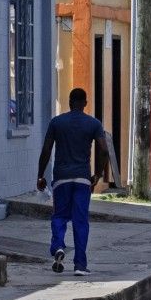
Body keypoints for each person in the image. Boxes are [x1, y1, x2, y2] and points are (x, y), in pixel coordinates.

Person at [36, 88, 110, 276]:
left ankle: (59, 246)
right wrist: (98, 174)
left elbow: (46, 150)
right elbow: (104, 150)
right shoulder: (93, 124)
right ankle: (80, 265)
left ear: (69, 102)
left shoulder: (57, 123)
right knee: (80, 221)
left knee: (59, 216)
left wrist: (40, 175)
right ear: (85, 103)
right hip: (83, 179)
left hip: (61, 178)